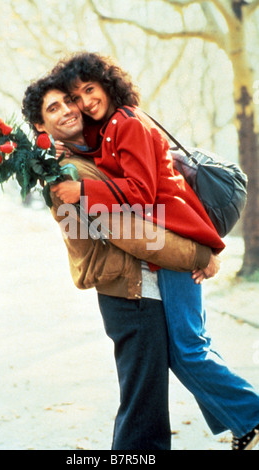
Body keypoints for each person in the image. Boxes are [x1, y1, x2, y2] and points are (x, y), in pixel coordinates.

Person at [49, 52, 259, 451]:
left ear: (108, 85)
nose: (85, 101)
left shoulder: (128, 123)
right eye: (76, 96)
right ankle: (246, 423)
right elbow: (115, 171)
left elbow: (141, 194)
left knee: (188, 350)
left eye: (89, 89)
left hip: (181, 239)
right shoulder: (112, 127)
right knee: (186, 350)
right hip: (170, 244)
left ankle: (252, 416)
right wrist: (70, 155)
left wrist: (82, 190)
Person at [22, 76, 218, 451]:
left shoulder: (82, 157)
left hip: (135, 289)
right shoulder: (71, 173)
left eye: (68, 100)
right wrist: (199, 254)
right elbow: (132, 232)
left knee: (146, 405)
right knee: (144, 414)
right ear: (39, 126)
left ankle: (243, 419)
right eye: (53, 108)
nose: (67, 109)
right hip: (131, 294)